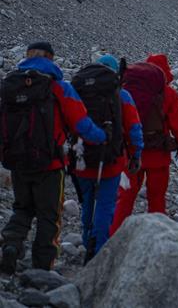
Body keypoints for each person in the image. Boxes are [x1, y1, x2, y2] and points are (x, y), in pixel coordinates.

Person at [0, 42, 107, 273]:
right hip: (50, 163)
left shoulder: (10, 84)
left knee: (22, 208)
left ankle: (11, 244)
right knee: (50, 215)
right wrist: (102, 137)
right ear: (51, 58)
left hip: (18, 161)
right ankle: (43, 266)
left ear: (26, 56)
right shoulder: (58, 87)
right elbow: (81, 123)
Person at [72, 55, 144, 261]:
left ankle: (87, 239)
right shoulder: (121, 94)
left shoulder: (78, 90)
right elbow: (134, 128)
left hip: (81, 158)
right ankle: (98, 250)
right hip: (111, 159)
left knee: (87, 201)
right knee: (105, 205)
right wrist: (136, 154)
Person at [111, 54, 178, 234]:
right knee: (156, 199)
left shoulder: (127, 89)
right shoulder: (168, 93)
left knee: (125, 198)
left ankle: (112, 239)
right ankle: (156, 240)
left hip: (131, 153)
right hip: (158, 155)